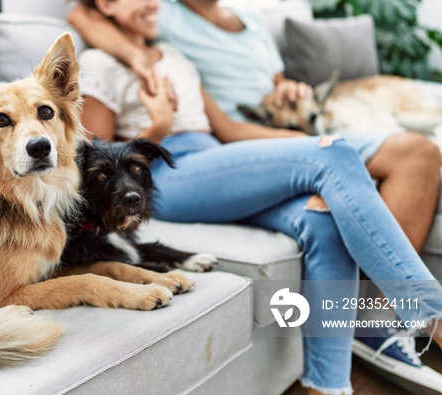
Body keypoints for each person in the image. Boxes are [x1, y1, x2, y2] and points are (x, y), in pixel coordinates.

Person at [72, 0, 442, 394]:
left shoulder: (175, 57)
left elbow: (228, 128)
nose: (149, 2)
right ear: (106, 5)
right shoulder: (99, 63)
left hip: (216, 157)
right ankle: (431, 314)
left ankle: (327, 386)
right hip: (169, 174)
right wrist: (158, 127)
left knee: (321, 216)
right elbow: (99, 164)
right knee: (333, 154)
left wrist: (306, 149)